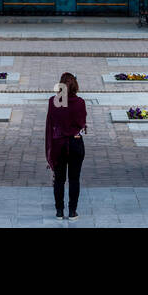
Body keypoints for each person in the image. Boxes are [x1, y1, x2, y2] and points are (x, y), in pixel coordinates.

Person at [45, 71, 87, 219]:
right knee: (74, 179)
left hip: (58, 145)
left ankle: (59, 211)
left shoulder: (53, 101)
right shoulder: (80, 102)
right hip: (75, 143)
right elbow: (82, 123)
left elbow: (51, 123)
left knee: (59, 179)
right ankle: (72, 211)